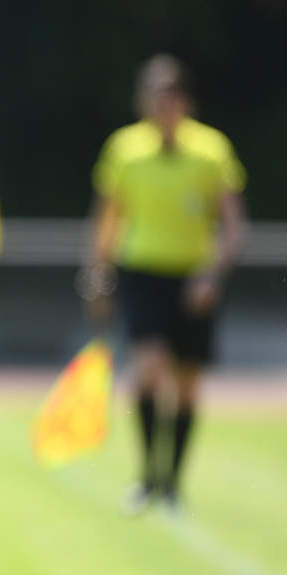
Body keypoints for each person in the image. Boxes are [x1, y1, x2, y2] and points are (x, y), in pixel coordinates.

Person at [83, 54, 246, 513]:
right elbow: (108, 219)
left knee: (188, 383)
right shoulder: (125, 150)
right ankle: (148, 476)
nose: (164, 107)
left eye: (171, 98)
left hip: (194, 276)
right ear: (144, 102)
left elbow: (232, 223)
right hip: (142, 273)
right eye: (156, 98)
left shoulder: (212, 151)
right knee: (150, 368)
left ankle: (173, 481)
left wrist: (213, 275)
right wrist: (97, 276)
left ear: (186, 103)